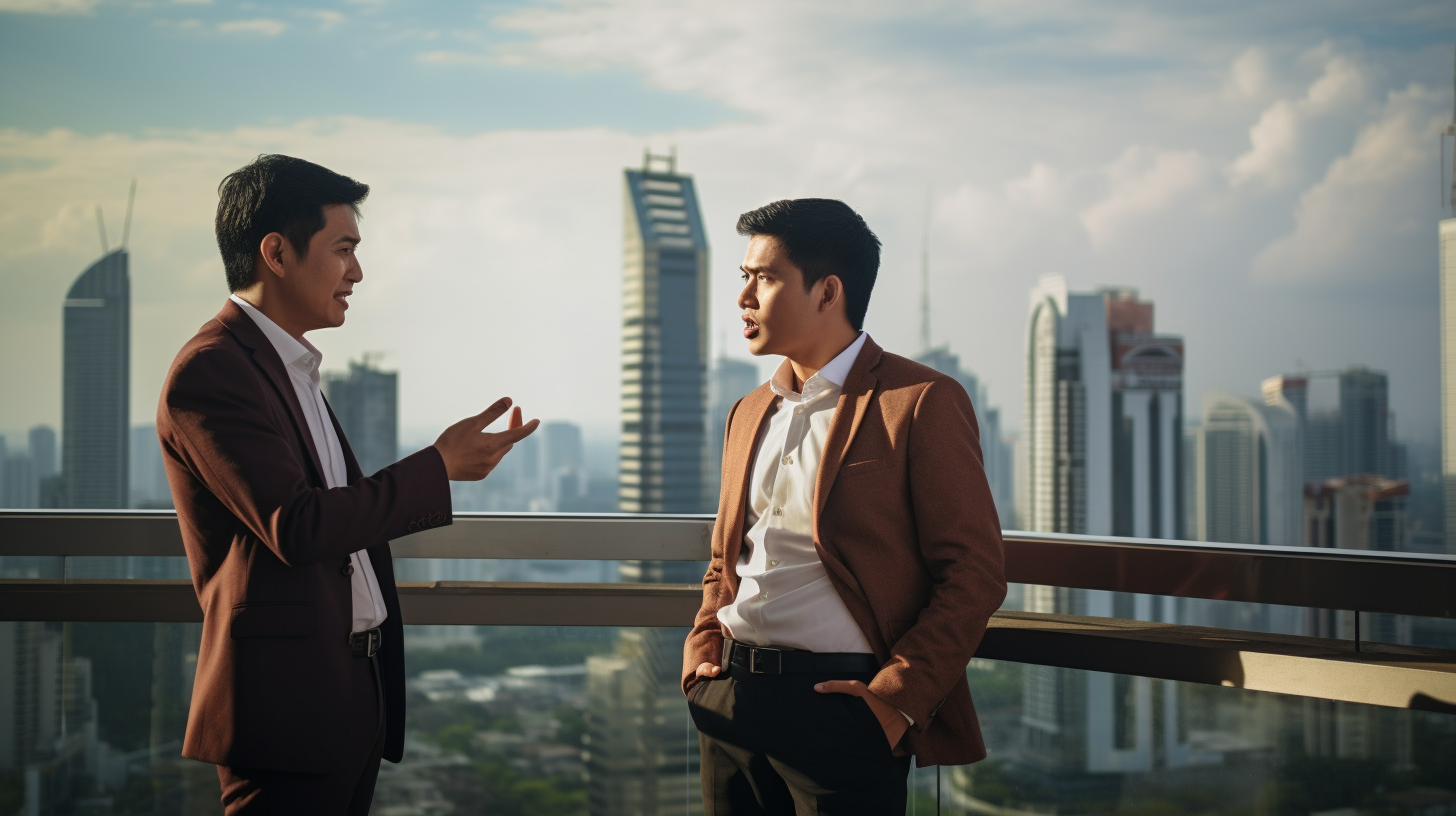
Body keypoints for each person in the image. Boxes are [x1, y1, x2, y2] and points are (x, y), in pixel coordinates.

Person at [156, 154, 538, 815]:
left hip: (345, 694)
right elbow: (299, 527)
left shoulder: (291, 368)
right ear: (276, 253)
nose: (357, 273)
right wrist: (438, 467)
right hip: (284, 711)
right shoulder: (212, 371)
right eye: (343, 250)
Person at [683, 198, 1007, 815]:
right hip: (730, 700)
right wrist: (702, 653)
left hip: (842, 711)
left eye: (766, 278)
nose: (744, 297)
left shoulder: (918, 402)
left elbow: (975, 573)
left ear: (828, 291)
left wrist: (895, 701)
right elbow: (727, 558)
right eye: (743, 277)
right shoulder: (749, 411)